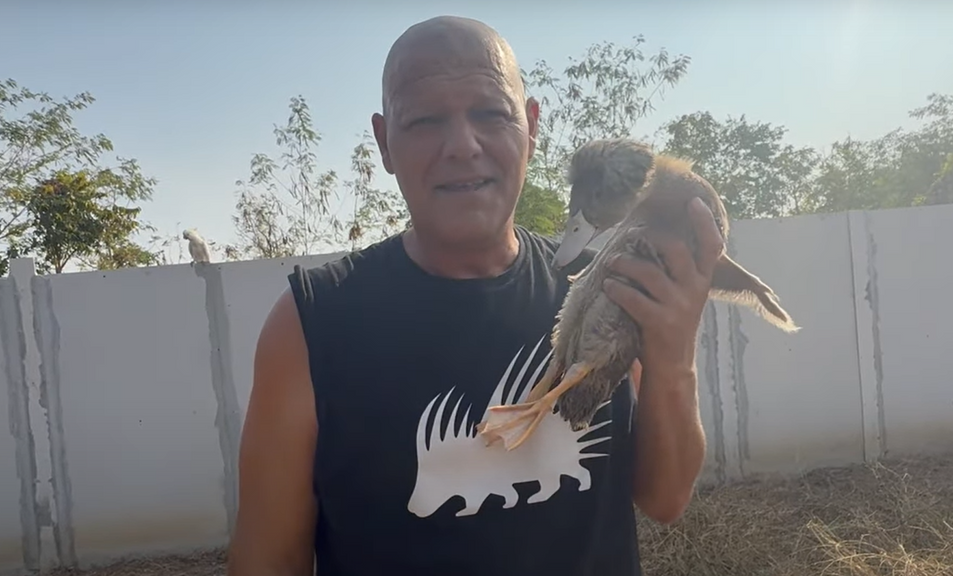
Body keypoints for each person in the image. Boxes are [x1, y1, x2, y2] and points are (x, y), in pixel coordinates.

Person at [226, 14, 723, 576]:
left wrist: (675, 358)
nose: (462, 147)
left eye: (491, 114)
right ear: (384, 142)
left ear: (532, 128)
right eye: (424, 122)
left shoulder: (605, 286)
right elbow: (267, 559)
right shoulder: (310, 324)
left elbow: (665, 498)